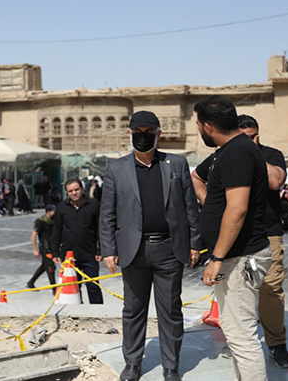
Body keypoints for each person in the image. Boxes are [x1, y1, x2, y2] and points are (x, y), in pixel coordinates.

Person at [100, 111, 201, 381]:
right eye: (138, 132)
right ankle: (133, 363)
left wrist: (194, 242)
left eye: (148, 131)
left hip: (169, 248)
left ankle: (171, 366)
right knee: (134, 310)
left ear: (158, 133)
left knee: (171, 310)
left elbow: (190, 207)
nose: (143, 136)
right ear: (130, 133)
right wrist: (108, 249)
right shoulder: (116, 168)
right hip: (134, 251)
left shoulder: (176, 164)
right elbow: (107, 212)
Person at [192, 114, 288, 368]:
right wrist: (213, 205)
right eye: (244, 137)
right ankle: (239, 339)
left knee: (270, 291)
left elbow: (276, 181)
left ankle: (276, 342)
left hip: (266, 235)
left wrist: (252, 151)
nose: (250, 140)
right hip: (235, 237)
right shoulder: (223, 155)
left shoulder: (270, 154)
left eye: (253, 136)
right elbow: (196, 177)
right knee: (236, 296)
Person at [51, 179, 103, 304]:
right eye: (70, 191)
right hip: (69, 255)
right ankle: (76, 312)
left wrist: (100, 250)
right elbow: (56, 230)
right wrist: (55, 252)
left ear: (82, 189)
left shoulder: (94, 205)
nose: (74, 193)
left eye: (76, 190)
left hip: (89, 253)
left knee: (93, 286)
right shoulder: (62, 207)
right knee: (73, 288)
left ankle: (97, 312)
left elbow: (100, 229)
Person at [27, 204, 57, 290]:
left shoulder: (53, 221)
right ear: (48, 212)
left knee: (44, 266)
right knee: (51, 267)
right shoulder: (41, 222)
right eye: (54, 211)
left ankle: (31, 282)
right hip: (45, 248)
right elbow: (33, 236)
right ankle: (54, 288)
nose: (55, 213)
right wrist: (35, 250)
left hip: (52, 247)